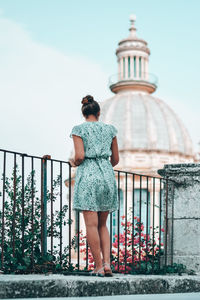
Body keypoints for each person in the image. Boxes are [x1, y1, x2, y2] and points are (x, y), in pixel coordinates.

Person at [69, 95, 119, 277]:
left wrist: (73, 162)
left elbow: (80, 156)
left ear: (84, 114)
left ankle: (98, 266)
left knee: (91, 225)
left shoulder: (78, 129)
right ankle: (107, 264)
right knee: (103, 225)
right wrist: (103, 166)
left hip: (88, 177)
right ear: (98, 113)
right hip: (107, 176)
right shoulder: (110, 130)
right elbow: (116, 159)